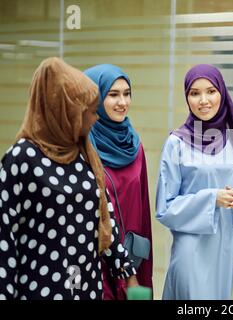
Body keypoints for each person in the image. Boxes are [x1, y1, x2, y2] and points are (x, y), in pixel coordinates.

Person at [0, 57, 138, 300]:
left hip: (85, 286)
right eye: (87, 111)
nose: (94, 118)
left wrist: (128, 272)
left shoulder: (84, 154)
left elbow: (106, 219)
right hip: (40, 289)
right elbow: (4, 238)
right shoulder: (23, 158)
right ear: (62, 110)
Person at [156, 64, 233, 299]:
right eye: (195, 93)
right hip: (191, 250)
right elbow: (165, 207)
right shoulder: (176, 143)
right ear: (187, 97)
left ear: (222, 93)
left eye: (211, 91)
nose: (203, 100)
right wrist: (213, 199)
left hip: (224, 250)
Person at [84, 64, 153, 300]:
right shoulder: (81, 148)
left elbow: (143, 209)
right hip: (95, 262)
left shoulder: (135, 146)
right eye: (113, 95)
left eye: (127, 93)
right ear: (94, 98)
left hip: (133, 258)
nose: (122, 102)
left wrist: (139, 266)